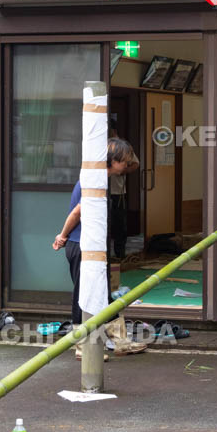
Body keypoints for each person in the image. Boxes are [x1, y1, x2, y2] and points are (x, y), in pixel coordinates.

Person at [52, 137, 147, 358]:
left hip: (90, 247)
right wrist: (62, 236)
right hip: (80, 245)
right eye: (124, 159)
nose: (127, 163)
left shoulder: (100, 179)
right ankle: (83, 346)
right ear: (112, 160)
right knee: (83, 294)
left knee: (102, 294)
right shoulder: (95, 180)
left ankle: (120, 341)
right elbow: (77, 213)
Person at [107, 127, 140, 259]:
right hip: (101, 192)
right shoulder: (98, 143)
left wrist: (122, 170)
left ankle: (120, 256)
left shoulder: (121, 147)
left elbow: (136, 164)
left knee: (119, 224)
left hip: (118, 192)